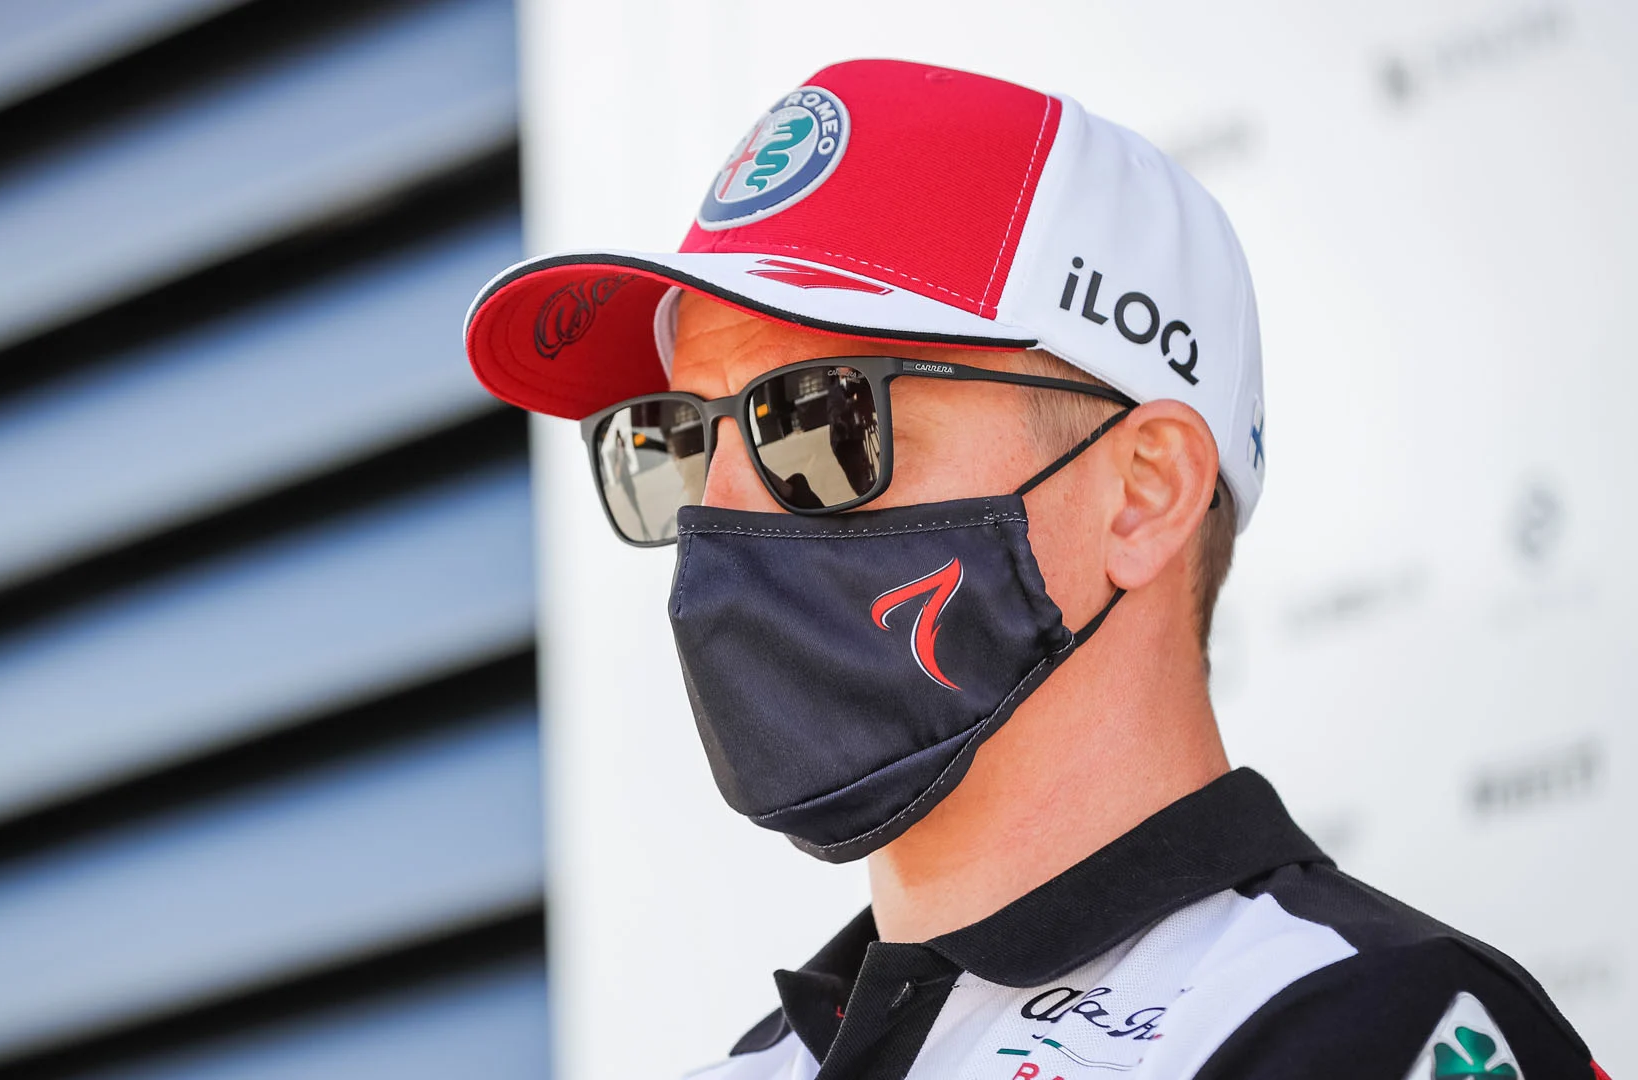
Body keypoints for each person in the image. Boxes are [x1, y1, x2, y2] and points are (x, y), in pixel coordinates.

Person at [460, 59, 1607, 1080]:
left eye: (820, 417)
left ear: (1144, 489)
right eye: (677, 437)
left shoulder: (1366, 1027)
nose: (719, 515)